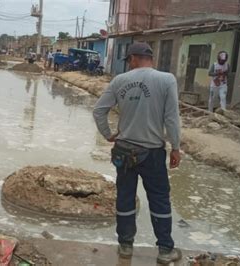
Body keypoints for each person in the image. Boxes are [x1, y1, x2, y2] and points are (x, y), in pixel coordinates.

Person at [93, 42, 182, 264]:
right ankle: (164, 250)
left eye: (129, 61)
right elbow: (171, 118)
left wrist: (108, 135)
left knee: (125, 197)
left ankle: (125, 247)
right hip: (152, 152)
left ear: (133, 58)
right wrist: (176, 147)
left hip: (123, 150)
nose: (129, 64)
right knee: (159, 199)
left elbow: (99, 110)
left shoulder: (119, 81)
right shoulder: (166, 79)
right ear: (149, 58)